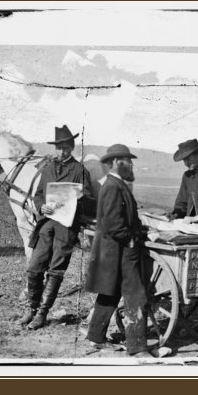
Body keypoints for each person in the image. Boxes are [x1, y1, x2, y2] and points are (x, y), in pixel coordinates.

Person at [19, 125, 94, 330]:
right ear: (55, 148)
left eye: (66, 148)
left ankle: (42, 313)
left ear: (72, 147)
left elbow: (89, 199)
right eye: (59, 148)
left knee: (55, 271)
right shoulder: (48, 169)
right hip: (46, 226)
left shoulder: (79, 170)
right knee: (34, 268)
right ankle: (31, 309)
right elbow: (39, 194)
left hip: (66, 228)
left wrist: (78, 197)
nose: (62, 151)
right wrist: (41, 206)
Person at [85, 144, 154, 357]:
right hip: (122, 250)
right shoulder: (114, 186)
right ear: (116, 162)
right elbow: (114, 223)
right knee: (135, 295)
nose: (132, 164)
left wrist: (139, 229)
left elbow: (118, 220)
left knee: (109, 292)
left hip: (112, 250)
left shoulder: (113, 184)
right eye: (128, 160)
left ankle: (96, 337)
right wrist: (132, 239)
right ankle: (137, 347)